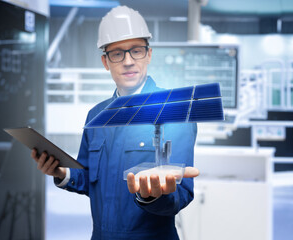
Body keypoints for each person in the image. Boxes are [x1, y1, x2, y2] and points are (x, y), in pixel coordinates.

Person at [32, 5, 199, 240]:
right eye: (117, 53)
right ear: (105, 61)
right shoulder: (96, 116)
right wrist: (61, 172)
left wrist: (152, 195)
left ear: (149, 55)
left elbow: (181, 194)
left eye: (137, 51)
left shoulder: (175, 111)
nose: (128, 61)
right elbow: (88, 179)